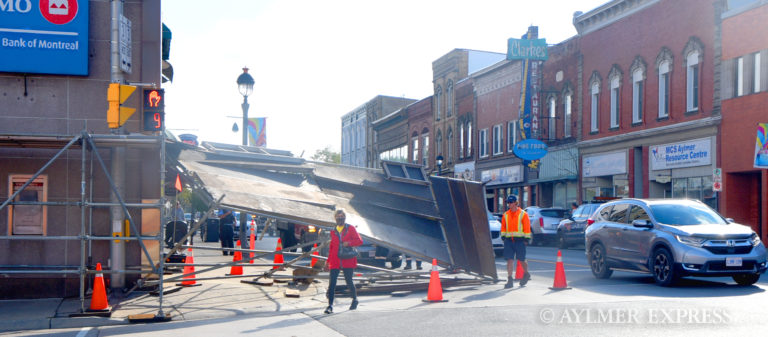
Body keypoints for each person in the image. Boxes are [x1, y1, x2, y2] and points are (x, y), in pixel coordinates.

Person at [324, 208, 363, 314]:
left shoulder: (350, 228)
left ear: (345, 218)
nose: (340, 218)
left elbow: (359, 241)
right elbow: (332, 247)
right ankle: (330, 305)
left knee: (349, 280)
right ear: (335, 218)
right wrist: (328, 261)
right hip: (335, 260)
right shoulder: (333, 231)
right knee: (332, 283)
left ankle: (355, 299)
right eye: (338, 217)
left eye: (342, 216)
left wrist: (349, 243)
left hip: (347, 259)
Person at [500, 195, 532, 288]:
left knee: (521, 259)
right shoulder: (505, 215)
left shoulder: (523, 214)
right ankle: (510, 280)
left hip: (520, 241)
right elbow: (503, 227)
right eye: (508, 202)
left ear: (515, 203)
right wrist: (503, 236)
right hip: (509, 241)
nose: (509, 204)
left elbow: (527, 227)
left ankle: (526, 274)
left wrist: (526, 239)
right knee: (509, 260)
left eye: (510, 202)